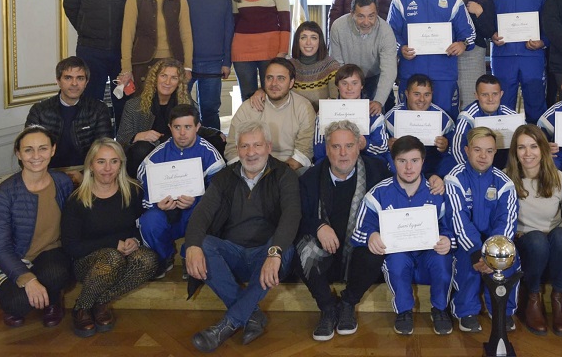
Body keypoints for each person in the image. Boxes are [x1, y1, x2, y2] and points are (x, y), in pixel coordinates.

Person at [184, 121, 301, 351]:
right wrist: (193, 246)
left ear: (268, 146)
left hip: (267, 257)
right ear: (237, 150)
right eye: (245, 146)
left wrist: (274, 251)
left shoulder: (284, 175)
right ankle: (252, 314)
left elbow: (291, 216)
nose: (251, 152)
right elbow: (202, 214)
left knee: (285, 248)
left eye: (257, 145)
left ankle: (226, 325)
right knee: (201, 244)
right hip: (233, 255)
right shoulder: (224, 177)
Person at [351, 135, 455, 335]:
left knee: (443, 259)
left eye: (414, 161)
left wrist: (447, 239)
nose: (409, 167)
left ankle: (440, 309)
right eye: (402, 161)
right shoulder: (378, 194)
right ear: (392, 161)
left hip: (428, 254)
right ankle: (404, 311)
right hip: (399, 254)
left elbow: (448, 226)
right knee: (396, 261)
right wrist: (371, 235)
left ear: (423, 162)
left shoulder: (437, 192)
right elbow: (360, 229)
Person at [295, 120, 389, 341]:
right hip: (324, 253)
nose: (343, 153)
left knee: (377, 246)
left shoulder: (377, 171)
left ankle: (348, 303)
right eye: (336, 147)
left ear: (359, 146)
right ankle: (327, 307)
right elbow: (298, 217)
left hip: (358, 252)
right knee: (300, 249)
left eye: (349, 146)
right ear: (327, 150)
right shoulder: (310, 177)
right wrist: (318, 226)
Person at [0, 126, 73, 328]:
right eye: (28, 150)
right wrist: (27, 279)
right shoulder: (4, 193)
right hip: (13, 257)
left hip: (49, 253)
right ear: (18, 154)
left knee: (58, 273)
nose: (36, 156)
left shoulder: (62, 183)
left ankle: (52, 300)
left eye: (43, 148)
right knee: (17, 304)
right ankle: (28, 297)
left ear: (52, 150)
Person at [61, 139, 158, 337]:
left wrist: (135, 240)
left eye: (114, 161)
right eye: (101, 162)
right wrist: (113, 244)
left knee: (148, 259)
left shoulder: (133, 191)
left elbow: (140, 226)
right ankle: (82, 306)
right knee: (112, 258)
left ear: (121, 164)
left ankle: (100, 302)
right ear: (90, 165)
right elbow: (71, 247)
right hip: (87, 263)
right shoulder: (77, 200)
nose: (107, 168)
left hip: (123, 256)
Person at [62, 0, 141, 125]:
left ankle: (123, 149)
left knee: (124, 101)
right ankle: (92, 148)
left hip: (124, 52)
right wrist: (84, 27)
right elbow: (70, 4)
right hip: (90, 50)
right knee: (89, 100)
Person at [446, 126, 519, 333]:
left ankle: (502, 310)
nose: (483, 156)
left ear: (496, 152)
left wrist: (493, 254)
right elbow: (457, 218)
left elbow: (507, 220)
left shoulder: (504, 182)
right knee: (466, 261)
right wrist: (477, 252)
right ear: (467, 150)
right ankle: (466, 310)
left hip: (494, 243)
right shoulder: (454, 178)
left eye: (489, 151)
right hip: (466, 242)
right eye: (477, 150)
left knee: (510, 258)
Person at [137, 105, 225, 277]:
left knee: (212, 214)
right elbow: (142, 186)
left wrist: (197, 201)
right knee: (149, 220)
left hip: (195, 214)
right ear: (170, 128)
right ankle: (164, 256)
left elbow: (221, 195)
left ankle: (189, 254)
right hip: (166, 215)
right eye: (177, 127)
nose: (182, 133)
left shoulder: (211, 156)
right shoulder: (155, 157)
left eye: (188, 127)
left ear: (197, 127)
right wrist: (156, 203)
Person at [504, 124, 562, 336]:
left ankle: (559, 297)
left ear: (543, 148)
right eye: (521, 147)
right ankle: (532, 295)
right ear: (514, 151)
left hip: (552, 239)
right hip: (524, 240)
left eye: (533, 146)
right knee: (536, 240)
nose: (528, 153)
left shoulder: (561, 179)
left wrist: (557, 234)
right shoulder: (505, 178)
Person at [388, 0, 476, 119]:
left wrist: (462, 44)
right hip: (411, 74)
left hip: (443, 76)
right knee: (409, 121)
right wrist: (401, 48)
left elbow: (470, 34)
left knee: (446, 122)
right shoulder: (401, 1)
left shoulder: (453, 1)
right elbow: (389, 35)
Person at [117, 58, 222, 178]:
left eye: (174, 78)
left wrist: (216, 134)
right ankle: (138, 190)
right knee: (141, 148)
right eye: (163, 76)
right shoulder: (133, 105)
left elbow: (195, 128)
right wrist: (137, 136)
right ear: (155, 78)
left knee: (217, 140)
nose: (167, 82)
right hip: (148, 154)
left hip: (178, 150)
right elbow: (120, 139)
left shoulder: (186, 103)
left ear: (179, 82)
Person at [488, 0, 551, 123]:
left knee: (536, 106)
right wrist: (492, 34)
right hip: (502, 55)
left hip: (533, 54)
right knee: (502, 107)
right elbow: (486, 17)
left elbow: (552, 19)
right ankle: (503, 150)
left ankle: (537, 148)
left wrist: (544, 41)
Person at [173, 0, 235, 130]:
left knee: (210, 110)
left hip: (214, 63)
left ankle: (213, 149)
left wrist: (227, 62)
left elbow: (228, 30)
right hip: (185, 62)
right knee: (180, 108)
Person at [26, 56, 113, 179]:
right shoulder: (39, 110)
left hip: (88, 173)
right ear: (58, 81)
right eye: (68, 78)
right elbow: (27, 151)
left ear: (86, 82)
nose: (74, 83)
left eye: (80, 78)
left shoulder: (98, 109)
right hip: (47, 172)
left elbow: (105, 149)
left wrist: (85, 176)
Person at [118, 0, 193, 93]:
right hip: (142, 64)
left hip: (174, 63)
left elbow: (186, 35)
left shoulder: (180, 0)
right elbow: (127, 36)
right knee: (145, 110)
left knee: (171, 110)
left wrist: (187, 66)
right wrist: (126, 69)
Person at [225, 58, 317, 171]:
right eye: (269, 78)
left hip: (289, 170)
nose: (274, 84)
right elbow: (231, 149)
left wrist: (275, 176)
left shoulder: (303, 107)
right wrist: (252, 174)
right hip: (252, 170)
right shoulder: (248, 107)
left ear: (291, 82)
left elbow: (304, 152)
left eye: (281, 79)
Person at [230, 0, 291, 102]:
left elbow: (285, 20)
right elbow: (234, 22)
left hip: (270, 49)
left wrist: (283, 51)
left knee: (272, 95)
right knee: (248, 98)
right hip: (242, 50)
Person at [328, 0, 398, 115]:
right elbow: (336, 65)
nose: (366, 22)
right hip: (347, 77)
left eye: (371, 16)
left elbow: (389, 70)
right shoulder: (338, 27)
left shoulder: (386, 31)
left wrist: (379, 101)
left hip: (375, 78)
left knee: (380, 113)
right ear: (352, 14)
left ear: (376, 13)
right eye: (361, 16)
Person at [384, 73, 456, 192]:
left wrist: (445, 147)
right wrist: (388, 145)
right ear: (407, 94)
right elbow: (380, 147)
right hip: (402, 168)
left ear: (432, 94)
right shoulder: (392, 117)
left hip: (431, 167)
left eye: (426, 95)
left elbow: (454, 151)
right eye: (416, 94)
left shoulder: (443, 118)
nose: (422, 99)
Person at [443, 0, 496, 110]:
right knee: (447, 99)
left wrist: (479, 12)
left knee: (469, 101)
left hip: (472, 54)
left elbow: (489, 31)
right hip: (445, 52)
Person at [313, 64, 390, 165]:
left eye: (354, 83)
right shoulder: (326, 111)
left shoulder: (372, 112)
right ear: (337, 85)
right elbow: (318, 151)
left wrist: (366, 145)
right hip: (333, 163)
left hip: (366, 162)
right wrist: (335, 146)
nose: (349, 88)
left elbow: (383, 148)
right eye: (344, 83)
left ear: (362, 85)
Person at [452, 74, 520, 170]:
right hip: (476, 168)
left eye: (495, 94)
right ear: (476, 95)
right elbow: (457, 149)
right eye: (485, 95)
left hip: (506, 168)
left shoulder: (511, 116)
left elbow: (527, 138)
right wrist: (471, 171)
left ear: (501, 94)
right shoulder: (467, 117)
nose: (490, 99)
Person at [291, 21, 340, 111]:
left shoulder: (331, 66)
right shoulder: (288, 66)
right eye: (303, 38)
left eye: (313, 38)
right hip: (294, 118)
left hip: (323, 118)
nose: (308, 43)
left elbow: (335, 101)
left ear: (319, 42)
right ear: (297, 41)